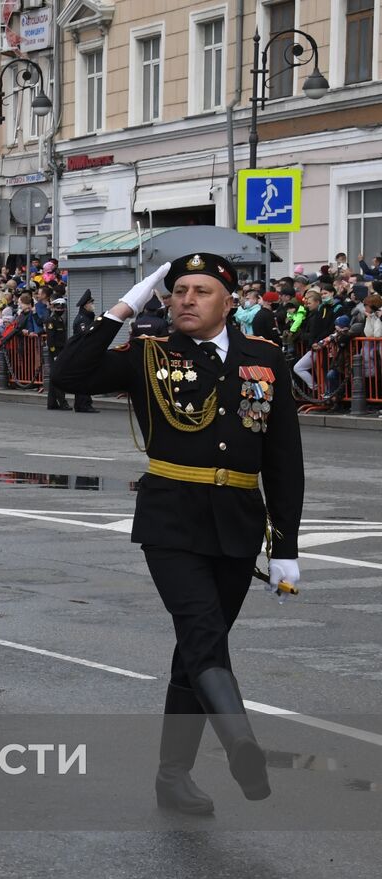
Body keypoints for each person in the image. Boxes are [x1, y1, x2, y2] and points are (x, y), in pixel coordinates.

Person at [52, 254, 303, 814]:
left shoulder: (263, 359)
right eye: (177, 290)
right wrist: (124, 306)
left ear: (229, 301)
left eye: (201, 291)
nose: (186, 299)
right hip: (171, 519)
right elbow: (68, 376)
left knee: (197, 647)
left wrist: (285, 547)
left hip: (238, 521)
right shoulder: (149, 353)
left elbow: (284, 458)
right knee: (201, 628)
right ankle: (240, 741)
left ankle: (173, 776)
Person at [70, 289, 99, 413]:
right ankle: (83, 404)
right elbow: (86, 335)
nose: (93, 305)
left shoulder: (87, 317)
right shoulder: (82, 319)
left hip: (85, 351)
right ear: (85, 305)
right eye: (91, 303)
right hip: (82, 352)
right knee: (83, 378)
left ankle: (83, 403)